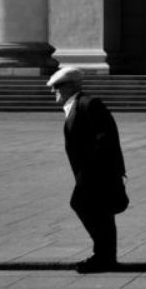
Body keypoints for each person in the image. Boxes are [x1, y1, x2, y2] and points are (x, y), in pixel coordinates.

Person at [46, 66, 129, 273]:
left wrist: (97, 170)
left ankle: (103, 256)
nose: (52, 91)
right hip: (91, 173)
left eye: (57, 86)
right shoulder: (76, 107)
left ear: (71, 86)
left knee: (83, 205)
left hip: (96, 174)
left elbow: (106, 138)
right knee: (101, 213)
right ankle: (105, 257)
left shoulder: (89, 104)